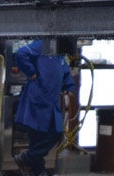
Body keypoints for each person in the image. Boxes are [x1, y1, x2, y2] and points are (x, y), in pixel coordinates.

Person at [13, 39, 78, 176]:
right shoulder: (42, 45)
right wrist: (31, 72)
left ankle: (34, 168)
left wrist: (70, 87)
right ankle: (28, 160)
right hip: (37, 102)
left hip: (51, 104)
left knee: (50, 135)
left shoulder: (59, 55)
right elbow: (20, 54)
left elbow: (65, 72)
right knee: (46, 135)